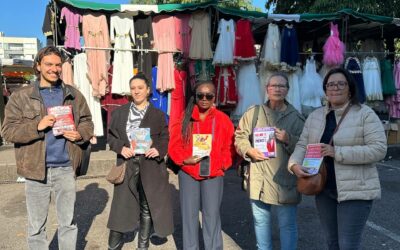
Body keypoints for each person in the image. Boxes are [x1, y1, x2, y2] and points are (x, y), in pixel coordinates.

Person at [1, 46, 94, 249]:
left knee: (67, 223)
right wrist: (37, 126)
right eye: (49, 64)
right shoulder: (21, 96)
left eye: (58, 65)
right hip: (35, 171)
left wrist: (80, 134)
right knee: (36, 227)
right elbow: (7, 131)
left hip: (66, 168)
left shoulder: (73, 94)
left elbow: (88, 122)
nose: (54, 69)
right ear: (38, 66)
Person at [289, 68, 387, 250]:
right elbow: (303, 144)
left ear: (350, 88)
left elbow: (379, 149)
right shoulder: (315, 116)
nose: (335, 88)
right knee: (332, 243)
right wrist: (294, 164)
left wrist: (337, 152)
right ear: (325, 90)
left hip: (356, 190)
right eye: (330, 84)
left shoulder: (365, 114)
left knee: (348, 245)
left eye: (341, 83)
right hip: (323, 187)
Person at [235, 72, 305, 250]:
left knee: (287, 225)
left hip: (285, 180)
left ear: (287, 90)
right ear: (267, 89)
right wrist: (249, 150)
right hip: (259, 178)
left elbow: (305, 146)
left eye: (281, 86)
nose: (277, 89)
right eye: (273, 85)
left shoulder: (296, 118)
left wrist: (289, 139)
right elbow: (240, 136)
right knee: (261, 224)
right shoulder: (254, 113)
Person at [107, 73, 173, 250]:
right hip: (127, 163)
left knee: (146, 206)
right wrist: (120, 147)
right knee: (120, 206)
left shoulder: (158, 114)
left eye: (140, 88)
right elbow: (111, 137)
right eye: (133, 88)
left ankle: (142, 246)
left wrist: (158, 149)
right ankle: (112, 246)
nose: (136, 91)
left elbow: (165, 138)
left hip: (150, 164)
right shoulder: (120, 113)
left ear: (148, 90)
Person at [168, 80, 235, 250]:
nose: (204, 99)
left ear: (214, 98)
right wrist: (184, 160)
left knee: (211, 215)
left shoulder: (223, 119)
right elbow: (174, 145)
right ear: (195, 97)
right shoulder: (185, 117)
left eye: (209, 95)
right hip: (189, 172)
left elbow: (230, 146)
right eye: (200, 95)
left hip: (213, 172)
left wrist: (222, 164)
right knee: (189, 216)